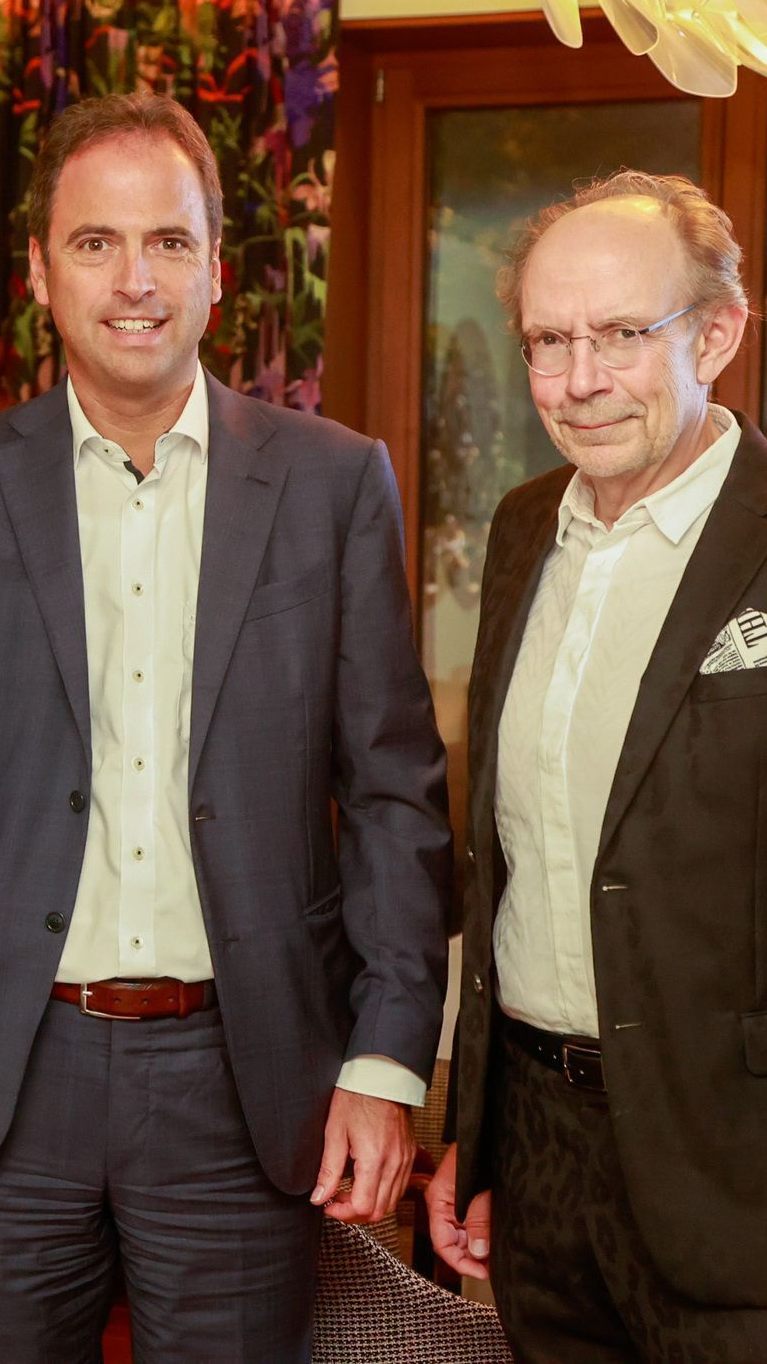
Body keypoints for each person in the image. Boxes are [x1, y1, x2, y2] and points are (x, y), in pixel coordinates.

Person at [0, 92, 451, 1364]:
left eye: (168, 241)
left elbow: (393, 793)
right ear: (38, 270)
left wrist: (383, 1061)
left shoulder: (331, 482)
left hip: (242, 1084)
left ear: (215, 270)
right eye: (95, 242)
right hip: (15, 1076)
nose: (133, 280)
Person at [427, 170, 767, 1363]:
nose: (578, 381)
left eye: (621, 333)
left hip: (734, 1169)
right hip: (540, 1156)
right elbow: (506, 867)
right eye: (547, 340)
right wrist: (476, 1135)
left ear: (714, 334)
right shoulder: (523, 527)